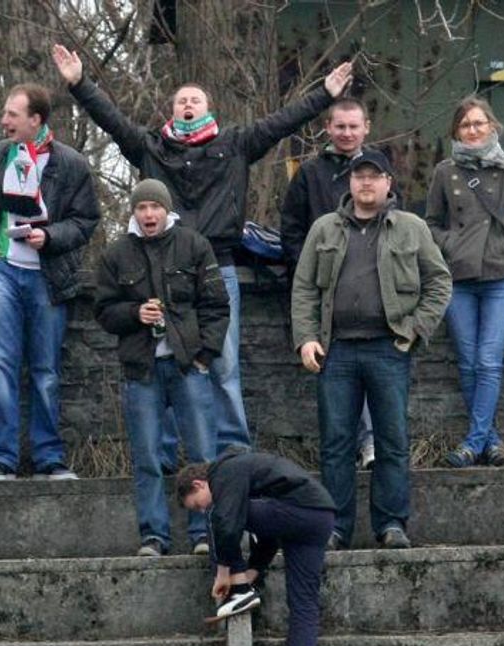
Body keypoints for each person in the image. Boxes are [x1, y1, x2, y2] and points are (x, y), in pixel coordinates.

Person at [53, 43, 354, 455]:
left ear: (208, 108)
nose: (188, 105)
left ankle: (233, 451)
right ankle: (172, 454)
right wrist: (79, 83)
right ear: (172, 110)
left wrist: (325, 94)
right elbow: (113, 122)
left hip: (218, 266)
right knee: (167, 361)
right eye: (181, 101)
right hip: (163, 266)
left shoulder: (236, 144)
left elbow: (282, 123)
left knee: (224, 365)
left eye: (195, 100)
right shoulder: (151, 148)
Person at [291, 150, 451, 550]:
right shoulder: (324, 228)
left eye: (374, 176)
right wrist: (306, 338)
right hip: (336, 351)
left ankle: (391, 524)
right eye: (359, 176)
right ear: (350, 183)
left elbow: (439, 281)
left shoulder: (411, 227)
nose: (366, 182)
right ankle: (334, 527)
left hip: (389, 348)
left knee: (392, 440)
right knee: (336, 444)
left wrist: (415, 329)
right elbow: (304, 287)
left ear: (388, 183)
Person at [0, 83, 99, 481]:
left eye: (12, 115)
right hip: (1, 270)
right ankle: (2, 458)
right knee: (1, 365)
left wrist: (50, 237)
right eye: (5, 113)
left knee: (46, 369)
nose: (4, 121)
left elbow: (86, 220)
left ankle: (49, 457)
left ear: (35, 119)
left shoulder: (71, 163)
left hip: (47, 277)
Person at [94, 179, 228, 556]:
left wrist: (205, 355)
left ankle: (204, 534)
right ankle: (154, 536)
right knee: (147, 459)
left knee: (202, 455)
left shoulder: (194, 245)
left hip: (188, 367)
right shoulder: (116, 254)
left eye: (155, 207)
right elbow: (102, 311)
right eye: (142, 207)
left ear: (166, 210)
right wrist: (134, 313)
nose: (149, 214)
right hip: (141, 370)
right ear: (133, 212)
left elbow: (217, 306)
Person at [425, 96, 504, 468]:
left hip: (500, 278)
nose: (472, 130)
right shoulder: (445, 171)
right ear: (456, 131)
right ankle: (491, 442)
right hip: (458, 280)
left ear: (492, 126)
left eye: (478, 123)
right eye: (465, 125)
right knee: (468, 362)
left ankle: (472, 444)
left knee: (489, 361)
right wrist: (452, 245)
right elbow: (431, 223)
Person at [176, 450, 336, 646]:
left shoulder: (224, 472)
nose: (200, 508)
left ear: (199, 484)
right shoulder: (249, 477)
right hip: (320, 516)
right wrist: (253, 571)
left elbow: (226, 522)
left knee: (218, 514)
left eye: (196, 504)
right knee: (304, 603)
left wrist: (224, 573)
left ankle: (241, 591)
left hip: (299, 509)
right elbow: (270, 536)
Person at [280, 98, 382, 471]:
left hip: (369, 291)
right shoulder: (309, 173)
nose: (347, 133)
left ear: (366, 127)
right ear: (328, 128)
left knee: (370, 370)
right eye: (340, 126)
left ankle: (370, 443)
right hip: (323, 293)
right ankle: (343, 448)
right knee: (333, 373)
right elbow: (291, 230)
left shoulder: (380, 169)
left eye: (354, 126)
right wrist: (309, 271)